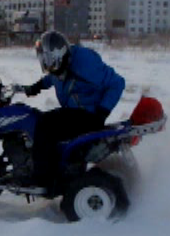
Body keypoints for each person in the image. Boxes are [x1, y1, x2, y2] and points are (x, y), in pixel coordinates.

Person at [23, 30, 125, 188]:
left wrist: (102, 113)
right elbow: (55, 77)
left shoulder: (85, 63)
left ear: (58, 55)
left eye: (49, 60)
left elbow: (117, 83)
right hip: (74, 111)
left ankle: (43, 179)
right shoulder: (61, 64)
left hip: (88, 115)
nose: (47, 65)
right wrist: (36, 87)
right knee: (37, 119)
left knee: (44, 123)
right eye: (44, 61)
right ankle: (56, 168)